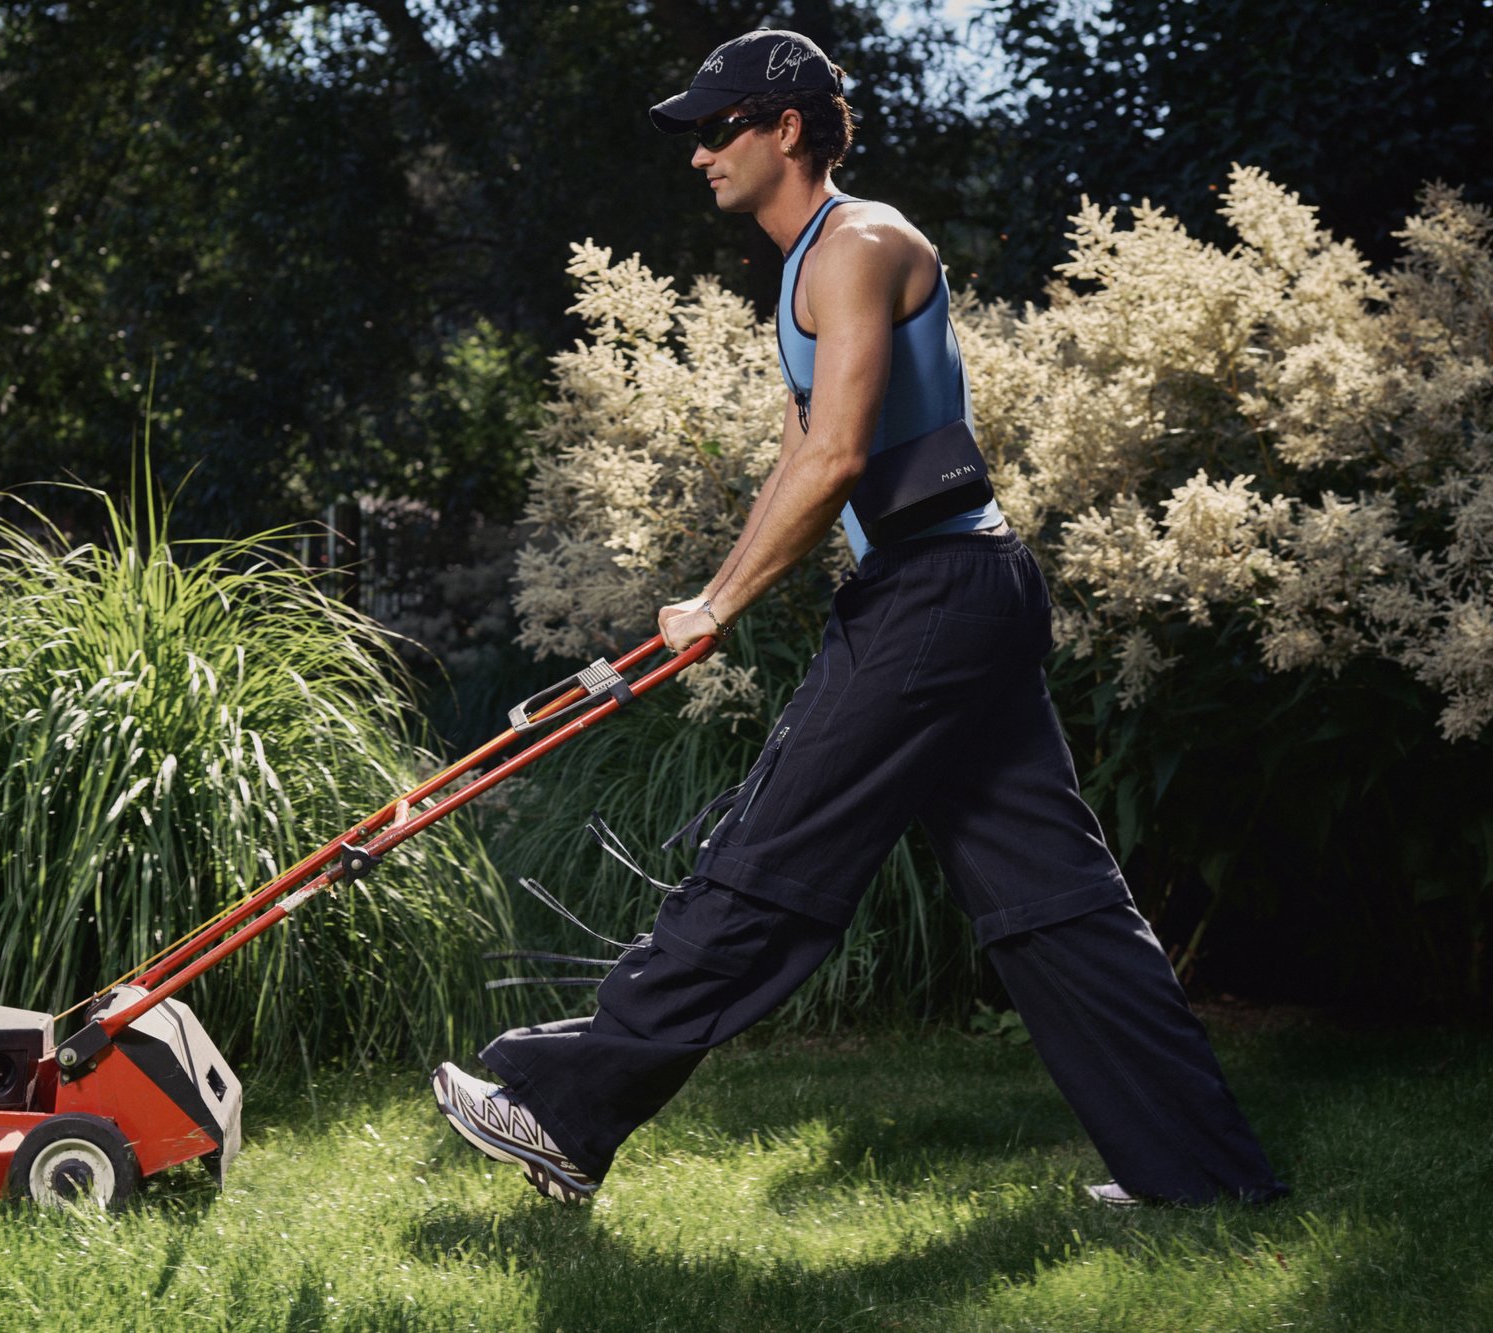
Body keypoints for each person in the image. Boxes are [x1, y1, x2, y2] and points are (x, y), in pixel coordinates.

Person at [431, 28, 1289, 1209]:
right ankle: (1200, 1176)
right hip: (949, 594)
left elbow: (836, 457)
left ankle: (565, 1113)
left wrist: (722, 603)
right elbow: (797, 463)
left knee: (767, 854)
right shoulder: (799, 274)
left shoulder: (860, 245)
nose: (699, 154)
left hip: (936, 594)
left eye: (717, 127)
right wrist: (712, 604)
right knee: (1057, 902)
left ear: (786, 128)